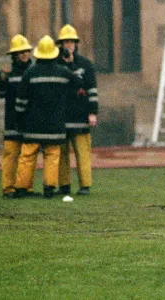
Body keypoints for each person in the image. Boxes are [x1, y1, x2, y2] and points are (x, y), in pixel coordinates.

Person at [13, 35, 83, 198]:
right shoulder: (63, 72)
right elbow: (79, 83)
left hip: (33, 125)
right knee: (52, 156)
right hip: (55, 125)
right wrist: (70, 63)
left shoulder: (30, 73)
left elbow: (21, 100)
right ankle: (49, 188)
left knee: (27, 156)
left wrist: (20, 119)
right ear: (54, 54)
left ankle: (21, 188)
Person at [55, 24, 98, 196]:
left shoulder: (85, 64)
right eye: (66, 42)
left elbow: (92, 89)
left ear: (76, 44)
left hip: (80, 116)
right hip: (61, 116)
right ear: (61, 44)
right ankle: (64, 185)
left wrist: (93, 112)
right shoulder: (54, 64)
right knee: (61, 154)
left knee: (83, 152)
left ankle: (85, 185)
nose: (69, 45)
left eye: (72, 42)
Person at [0, 34, 34, 198]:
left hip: (30, 120)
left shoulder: (34, 72)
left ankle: (25, 187)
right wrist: (2, 78)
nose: (24, 55)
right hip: (12, 121)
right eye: (21, 52)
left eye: (26, 51)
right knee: (11, 155)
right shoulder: (7, 74)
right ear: (14, 55)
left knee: (28, 157)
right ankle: (8, 188)